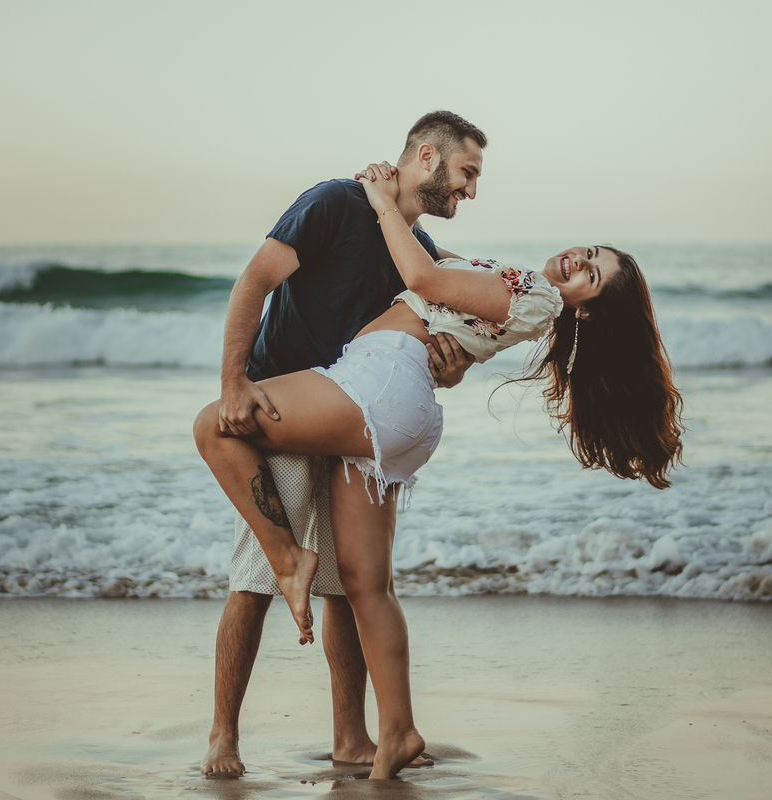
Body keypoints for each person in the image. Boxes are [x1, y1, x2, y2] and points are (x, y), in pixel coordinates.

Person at [194, 163, 685, 779]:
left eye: (592, 273)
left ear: (588, 309)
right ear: (425, 159)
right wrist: (393, 219)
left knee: (215, 428)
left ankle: (291, 570)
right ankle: (389, 733)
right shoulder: (514, 282)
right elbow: (437, 273)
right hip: (388, 401)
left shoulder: (533, 293)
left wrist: (379, 201)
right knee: (361, 586)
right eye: (588, 252)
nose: (576, 262)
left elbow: (423, 277)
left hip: (372, 386)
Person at [198, 111, 487, 777]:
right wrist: (235, 382)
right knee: (256, 579)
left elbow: (441, 340)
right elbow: (255, 281)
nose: (471, 191)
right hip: (285, 404)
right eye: (467, 173)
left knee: (345, 587)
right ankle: (223, 736)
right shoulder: (335, 202)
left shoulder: (420, 255)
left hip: (355, 423)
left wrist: (454, 364)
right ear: (426, 157)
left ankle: (352, 739)